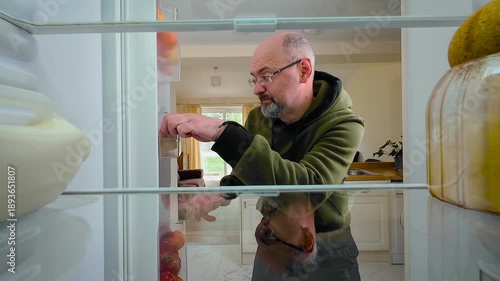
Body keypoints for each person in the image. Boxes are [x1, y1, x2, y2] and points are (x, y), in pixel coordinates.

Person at [159, 31, 364, 280]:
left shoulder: (345, 124)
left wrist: (223, 132)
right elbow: (251, 170)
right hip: (271, 240)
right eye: (254, 79)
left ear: (304, 70)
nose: (257, 89)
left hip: (328, 249)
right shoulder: (259, 117)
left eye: (266, 76)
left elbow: (306, 191)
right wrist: (223, 192)